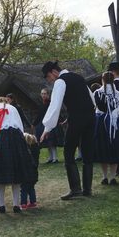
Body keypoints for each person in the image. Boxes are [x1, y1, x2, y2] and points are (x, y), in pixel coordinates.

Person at [41, 61, 95, 200]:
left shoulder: (60, 81)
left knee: (68, 152)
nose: (50, 80)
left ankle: (76, 189)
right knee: (87, 151)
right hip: (90, 117)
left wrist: (47, 128)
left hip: (77, 119)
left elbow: (55, 105)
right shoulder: (79, 77)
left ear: (54, 72)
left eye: (48, 77)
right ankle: (87, 189)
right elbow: (92, 100)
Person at [0, 97, 36, 213]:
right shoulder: (13, 109)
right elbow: (20, 128)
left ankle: (1, 205)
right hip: (15, 140)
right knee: (16, 173)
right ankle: (16, 205)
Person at [31, 88, 62, 164]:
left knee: (52, 141)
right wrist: (34, 124)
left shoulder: (51, 103)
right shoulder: (42, 104)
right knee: (47, 141)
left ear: (48, 95)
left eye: (45, 94)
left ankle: (55, 158)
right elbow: (40, 115)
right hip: (43, 124)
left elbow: (56, 112)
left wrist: (60, 120)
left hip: (51, 124)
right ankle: (50, 157)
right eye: (42, 94)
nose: (43, 95)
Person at [20, 133, 39, 210]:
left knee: (24, 189)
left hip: (26, 173)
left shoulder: (25, 151)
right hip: (34, 173)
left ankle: (23, 203)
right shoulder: (35, 150)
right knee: (31, 188)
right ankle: (33, 202)